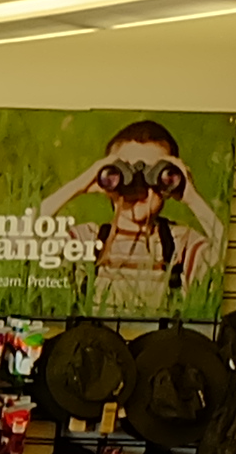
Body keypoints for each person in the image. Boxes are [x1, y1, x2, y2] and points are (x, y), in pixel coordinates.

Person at [33, 119, 224, 314]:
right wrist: (80, 184)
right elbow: (15, 246)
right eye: (125, 173)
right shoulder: (88, 240)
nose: (138, 186)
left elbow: (229, 263)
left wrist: (192, 198)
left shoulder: (181, 244)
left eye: (155, 174)